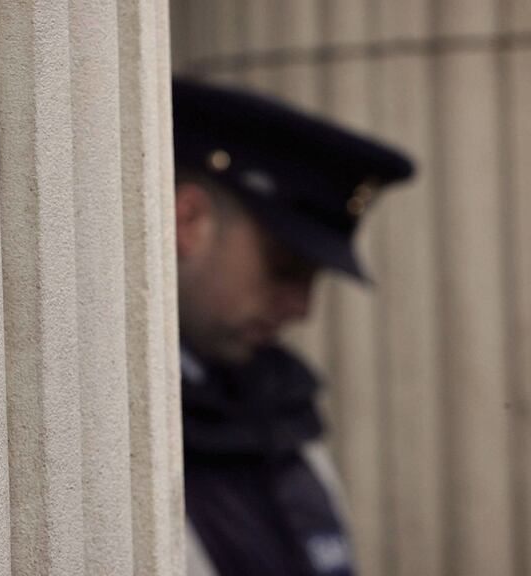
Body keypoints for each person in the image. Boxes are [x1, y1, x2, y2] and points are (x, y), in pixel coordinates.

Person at [172, 78, 414, 576]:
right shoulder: (119, 435)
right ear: (188, 221)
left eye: (313, 277)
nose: (302, 308)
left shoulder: (282, 409)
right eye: (284, 268)